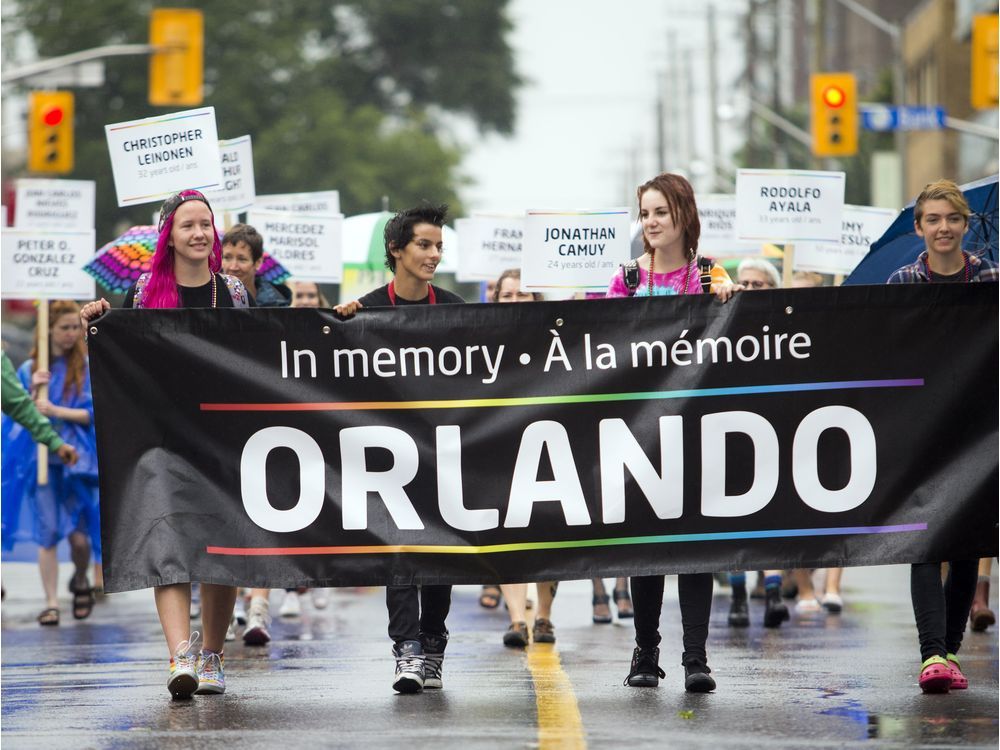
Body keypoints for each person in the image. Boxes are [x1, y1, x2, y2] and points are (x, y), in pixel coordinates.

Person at [80, 189, 252, 699]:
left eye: (206, 225)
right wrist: (99, 322)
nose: (200, 233)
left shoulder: (235, 293)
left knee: (222, 551)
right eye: (188, 226)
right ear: (169, 237)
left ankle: (214, 657)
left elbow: (260, 361)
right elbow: (122, 359)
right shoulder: (141, 291)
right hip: (163, 442)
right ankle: (180, 655)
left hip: (222, 442)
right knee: (168, 545)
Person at [606, 173, 740, 693]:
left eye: (660, 212)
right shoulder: (627, 280)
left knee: (694, 545)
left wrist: (729, 296)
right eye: (645, 213)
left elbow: (734, 331)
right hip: (641, 432)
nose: (651, 222)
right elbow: (599, 347)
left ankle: (696, 657)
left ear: (684, 215)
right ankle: (645, 652)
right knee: (645, 544)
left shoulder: (709, 275)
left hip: (696, 430)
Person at [335, 203, 463, 694]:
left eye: (438, 247)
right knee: (400, 551)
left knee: (441, 553)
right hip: (389, 460)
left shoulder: (454, 310)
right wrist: (343, 324)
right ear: (396, 251)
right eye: (424, 245)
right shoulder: (367, 308)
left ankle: (433, 643)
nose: (433, 255)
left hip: (444, 452)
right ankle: (406, 650)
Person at [887, 179, 997, 693]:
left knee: (968, 545)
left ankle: (948, 653)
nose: (943, 228)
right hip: (921, 432)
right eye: (933, 219)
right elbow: (884, 353)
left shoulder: (991, 278)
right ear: (919, 228)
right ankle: (932, 653)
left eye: (952, 218)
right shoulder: (901, 281)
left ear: (966, 223)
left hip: (979, 434)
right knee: (924, 538)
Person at [1, 303, 100, 627]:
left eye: (75, 327)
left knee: (79, 537)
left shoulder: (85, 367)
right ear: (50, 331)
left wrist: (54, 409)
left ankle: (82, 578)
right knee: (49, 530)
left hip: (78, 461)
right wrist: (33, 392)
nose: (72, 334)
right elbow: (17, 410)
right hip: (40, 460)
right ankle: (52, 602)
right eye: (65, 328)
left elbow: (93, 412)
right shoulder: (31, 368)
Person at [486, 269, 560, 647]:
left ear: (536, 300)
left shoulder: (555, 338)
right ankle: (517, 620)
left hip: (548, 446)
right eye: (508, 295)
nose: (515, 302)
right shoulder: (480, 342)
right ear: (496, 300)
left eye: (523, 295)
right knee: (507, 533)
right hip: (502, 446)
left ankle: (543, 616)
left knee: (548, 533)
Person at [221, 223, 291, 307]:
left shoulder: (276, 306)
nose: (233, 267)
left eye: (242, 259)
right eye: (227, 258)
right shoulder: (211, 300)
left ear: (258, 262)